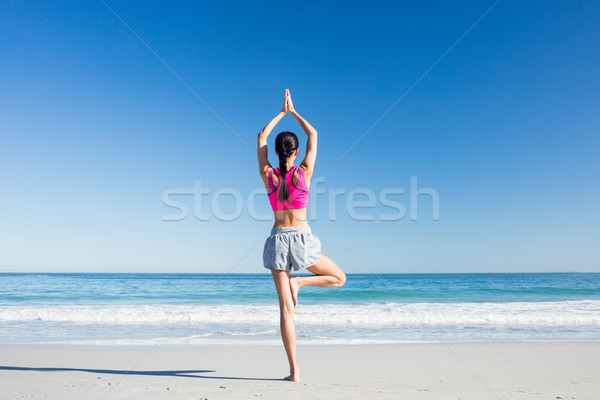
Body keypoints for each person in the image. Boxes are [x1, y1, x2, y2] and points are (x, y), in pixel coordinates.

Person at [257, 89, 346, 382]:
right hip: (302, 239)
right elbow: (314, 133)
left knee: (285, 311)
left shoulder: (268, 174)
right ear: (295, 153)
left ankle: (294, 372)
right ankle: (302, 283)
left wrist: (280, 114)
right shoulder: (304, 172)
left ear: (277, 153)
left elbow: (261, 136)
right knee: (339, 278)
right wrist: (293, 112)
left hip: (277, 239)